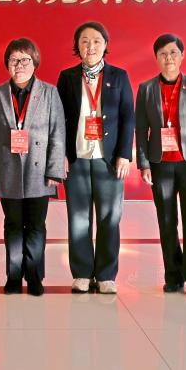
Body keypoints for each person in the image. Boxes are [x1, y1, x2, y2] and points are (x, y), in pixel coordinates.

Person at [0, 38, 65, 296]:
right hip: (8, 169)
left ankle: (35, 276)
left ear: (35, 62)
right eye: (14, 60)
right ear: (7, 64)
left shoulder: (49, 93)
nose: (19, 65)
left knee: (36, 225)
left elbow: (57, 132)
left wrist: (54, 170)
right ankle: (14, 276)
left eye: (25, 59)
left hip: (40, 172)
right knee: (13, 225)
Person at [56, 21, 133, 295]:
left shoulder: (119, 76)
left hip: (108, 159)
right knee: (78, 218)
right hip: (76, 157)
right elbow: (59, 120)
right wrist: (61, 155)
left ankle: (106, 275)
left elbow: (128, 117)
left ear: (105, 45)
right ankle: (81, 273)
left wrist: (124, 154)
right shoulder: (67, 77)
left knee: (109, 218)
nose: (90, 46)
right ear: (77, 46)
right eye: (84, 41)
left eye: (96, 41)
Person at [136, 34, 186, 298]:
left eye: (173, 53)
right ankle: (173, 276)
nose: (168, 58)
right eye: (162, 54)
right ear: (156, 58)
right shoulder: (146, 89)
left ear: (182, 55)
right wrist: (144, 164)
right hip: (160, 166)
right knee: (167, 222)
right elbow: (141, 130)